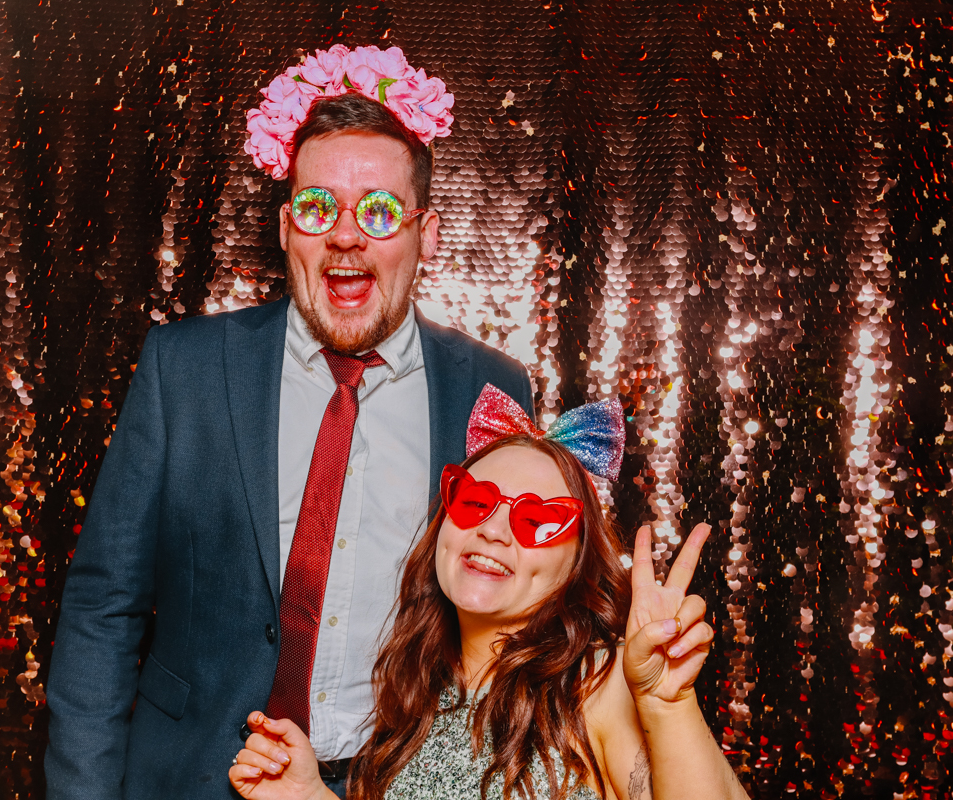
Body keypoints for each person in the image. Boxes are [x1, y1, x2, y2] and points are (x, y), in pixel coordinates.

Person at [45, 47, 533, 799]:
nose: (345, 235)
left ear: (426, 234)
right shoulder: (186, 368)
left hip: (386, 785)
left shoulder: (491, 390)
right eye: (317, 207)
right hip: (189, 780)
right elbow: (102, 607)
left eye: (378, 210)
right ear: (284, 228)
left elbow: (519, 611)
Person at [228, 386, 749, 800]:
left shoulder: (598, 683)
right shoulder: (418, 682)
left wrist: (668, 707)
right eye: (477, 502)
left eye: (537, 520)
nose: (495, 531)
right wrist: (310, 794)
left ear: (576, 564)